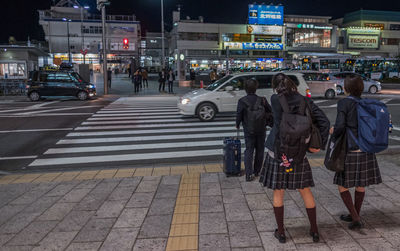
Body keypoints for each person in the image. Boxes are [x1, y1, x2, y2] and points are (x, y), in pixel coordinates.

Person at [260, 73, 330, 244]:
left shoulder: (275, 99)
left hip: (277, 152)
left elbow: (274, 121)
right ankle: (314, 230)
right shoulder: (304, 100)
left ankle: (281, 233)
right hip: (298, 152)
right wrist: (317, 145)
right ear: (293, 85)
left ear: (275, 87)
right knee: (305, 190)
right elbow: (325, 122)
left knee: (279, 192)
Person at [330, 76, 382, 230]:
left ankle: (355, 217)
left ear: (347, 88)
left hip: (350, 148)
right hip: (366, 148)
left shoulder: (344, 103)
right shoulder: (366, 103)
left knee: (341, 184)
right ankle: (354, 215)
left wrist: (333, 131)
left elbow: (339, 127)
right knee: (361, 183)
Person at [236, 79, 272, 182]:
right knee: (260, 150)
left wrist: (237, 124)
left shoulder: (242, 101)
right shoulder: (263, 100)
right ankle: (257, 171)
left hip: (248, 129)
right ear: (256, 88)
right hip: (261, 129)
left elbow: (239, 114)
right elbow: (270, 111)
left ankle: (248, 174)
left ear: (245, 89)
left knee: (249, 150)